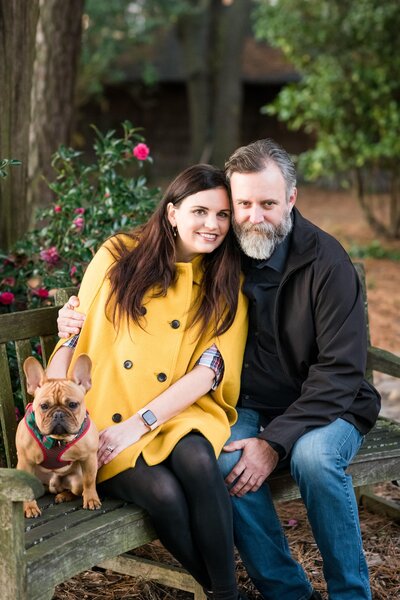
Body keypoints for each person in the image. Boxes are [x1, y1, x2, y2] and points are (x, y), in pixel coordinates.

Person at [58, 140, 381, 600]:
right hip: (248, 405)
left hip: (326, 404)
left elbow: (341, 373)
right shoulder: (224, 255)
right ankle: (287, 592)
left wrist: (274, 443)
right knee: (228, 460)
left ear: (291, 199)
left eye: (268, 203)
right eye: (242, 204)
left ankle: (351, 593)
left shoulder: (325, 263)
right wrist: (69, 320)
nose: (253, 216)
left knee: (313, 459)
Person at [47, 164, 248, 600]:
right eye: (200, 211)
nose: (212, 225)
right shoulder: (118, 254)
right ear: (172, 213)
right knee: (164, 494)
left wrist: (140, 423)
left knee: (197, 459)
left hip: (175, 409)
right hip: (103, 414)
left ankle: (225, 594)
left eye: (223, 215)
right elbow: (75, 332)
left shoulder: (225, 279)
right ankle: (223, 592)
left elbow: (210, 370)